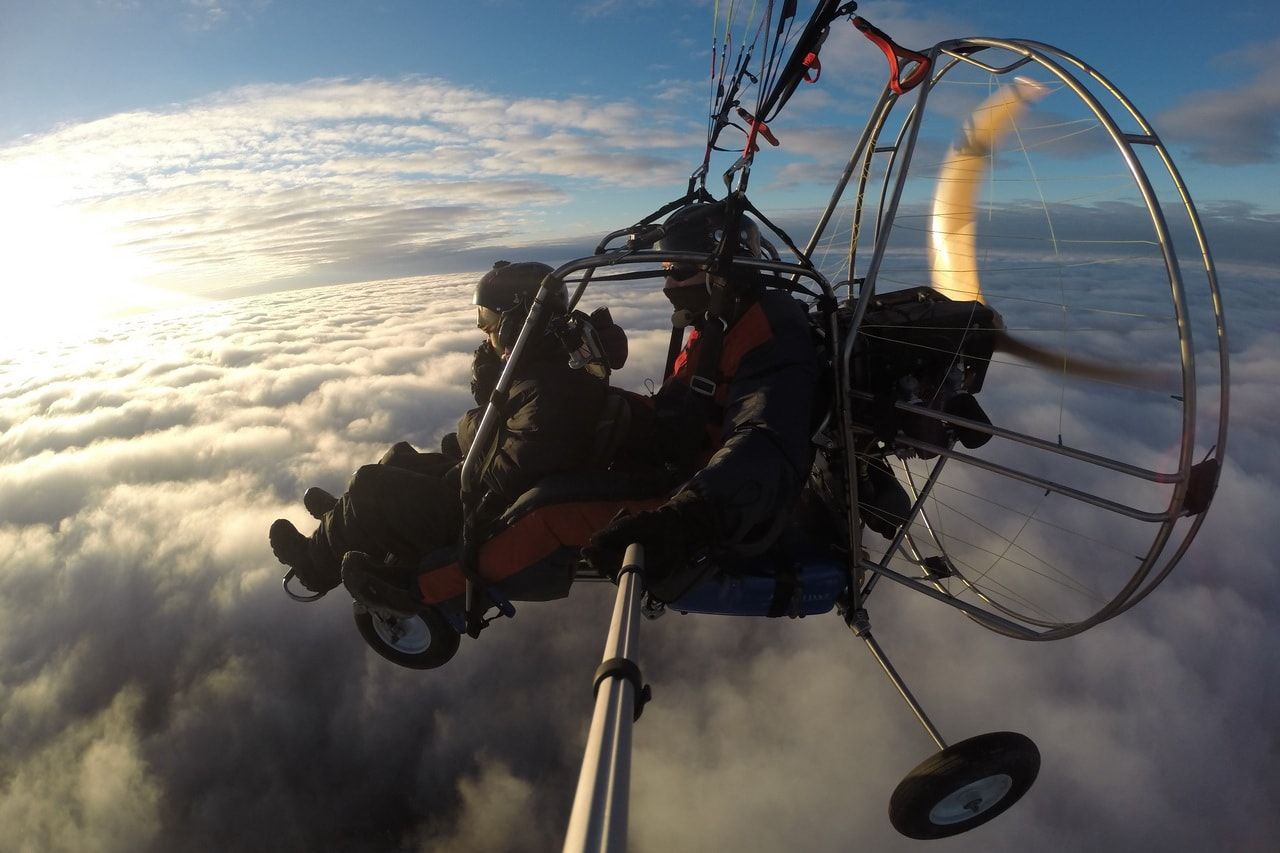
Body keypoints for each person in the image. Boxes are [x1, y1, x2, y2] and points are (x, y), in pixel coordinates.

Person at [268, 260, 613, 611]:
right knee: (399, 458)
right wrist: (491, 384)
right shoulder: (549, 364)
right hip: (486, 491)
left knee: (370, 485)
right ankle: (344, 523)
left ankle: (314, 565)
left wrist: (473, 424)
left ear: (517, 323)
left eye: (488, 320)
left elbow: (509, 471)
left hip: (482, 515)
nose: (483, 329)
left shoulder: (551, 390)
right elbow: (516, 427)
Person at [580, 200, 822, 601]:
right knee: (583, 414)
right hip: (682, 450)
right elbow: (684, 406)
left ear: (721, 270)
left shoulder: (769, 330)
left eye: (680, 270)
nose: (669, 284)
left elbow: (767, 438)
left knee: (541, 513)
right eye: (666, 270)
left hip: (702, 492)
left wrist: (687, 519)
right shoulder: (720, 322)